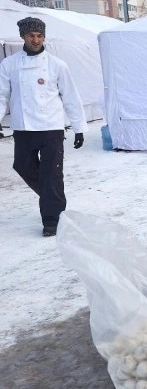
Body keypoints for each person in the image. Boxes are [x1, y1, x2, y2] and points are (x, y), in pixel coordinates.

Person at [0, 17, 87, 236]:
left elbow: (70, 97)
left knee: (51, 174)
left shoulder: (57, 65)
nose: (36, 40)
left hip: (51, 127)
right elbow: (1, 95)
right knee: (22, 166)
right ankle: (52, 198)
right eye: (31, 35)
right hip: (23, 127)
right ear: (23, 36)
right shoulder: (9, 64)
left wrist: (79, 127)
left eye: (40, 36)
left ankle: (52, 220)